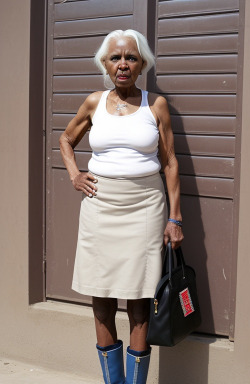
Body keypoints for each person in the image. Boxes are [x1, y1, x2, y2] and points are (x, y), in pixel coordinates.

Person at [59, 29, 184, 384]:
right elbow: (66, 139)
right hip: (100, 207)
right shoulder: (94, 103)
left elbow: (171, 163)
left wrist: (175, 217)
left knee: (140, 300)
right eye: (116, 58)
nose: (123, 64)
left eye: (131, 57)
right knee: (101, 297)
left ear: (142, 63)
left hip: (145, 207)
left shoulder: (154, 105)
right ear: (105, 63)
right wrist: (74, 175)